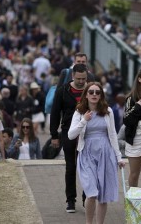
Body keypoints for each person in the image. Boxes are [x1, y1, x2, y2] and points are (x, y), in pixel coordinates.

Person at [68, 82, 125, 223]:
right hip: (87, 154)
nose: (94, 95)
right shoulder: (79, 112)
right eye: (91, 92)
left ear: (101, 95)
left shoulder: (108, 111)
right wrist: (84, 121)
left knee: (103, 196)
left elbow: (112, 134)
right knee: (91, 192)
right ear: (86, 95)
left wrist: (119, 157)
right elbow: (71, 135)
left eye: (97, 92)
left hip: (105, 153)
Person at [50, 63, 89, 213]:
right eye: (78, 78)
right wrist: (54, 134)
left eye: (84, 78)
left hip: (88, 132)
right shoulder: (63, 91)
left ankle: (88, 197)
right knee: (70, 166)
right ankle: (71, 200)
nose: (81, 81)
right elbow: (55, 112)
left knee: (88, 167)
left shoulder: (91, 90)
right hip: (68, 131)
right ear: (73, 76)